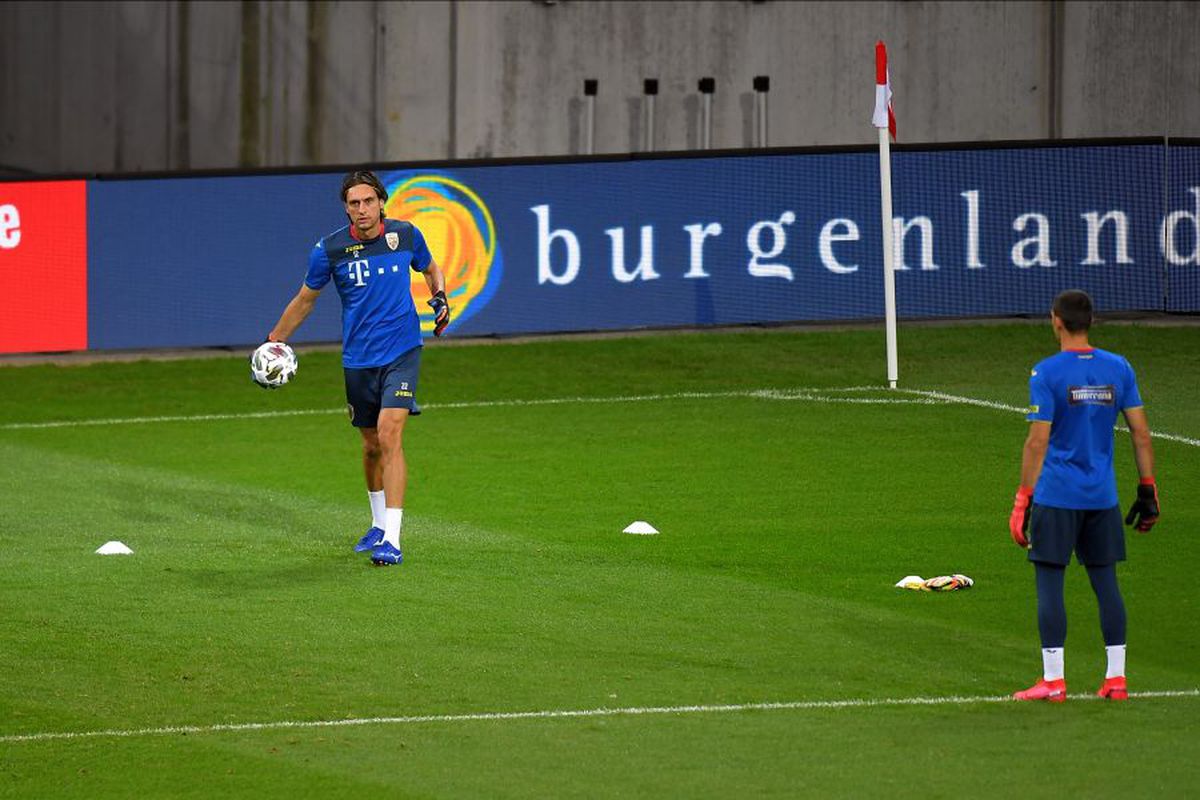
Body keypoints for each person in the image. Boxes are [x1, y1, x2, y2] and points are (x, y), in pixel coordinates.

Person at [266, 170, 449, 566]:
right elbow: (304, 300)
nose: (362, 210)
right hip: (358, 359)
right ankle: (377, 524)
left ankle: (394, 541)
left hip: (402, 350)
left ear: (381, 201)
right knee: (369, 447)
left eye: (368, 201)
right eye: (354, 203)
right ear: (346, 207)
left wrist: (440, 297)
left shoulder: (406, 236)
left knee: (389, 434)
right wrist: (274, 339)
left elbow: (432, 268)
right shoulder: (329, 250)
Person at [1009, 289, 1159, 702]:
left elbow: (1037, 443)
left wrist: (1023, 498)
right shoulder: (1119, 368)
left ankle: (1054, 681)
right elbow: (1141, 433)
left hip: (1057, 497)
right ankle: (1116, 678)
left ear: (1055, 320)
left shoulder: (1047, 373)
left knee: (1050, 584)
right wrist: (1147, 489)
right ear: (1090, 321)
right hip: (1102, 497)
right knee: (1106, 583)